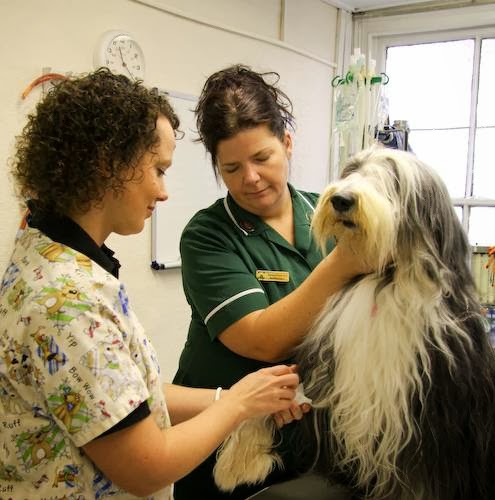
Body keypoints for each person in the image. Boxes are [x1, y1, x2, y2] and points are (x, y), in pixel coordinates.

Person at [0, 68, 302, 499]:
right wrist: (238, 406)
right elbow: (147, 468)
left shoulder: (51, 256)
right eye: (158, 170)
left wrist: (235, 398)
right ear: (111, 165)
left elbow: (125, 395)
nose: (163, 192)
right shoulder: (67, 301)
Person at [173, 64, 369, 499]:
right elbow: (261, 340)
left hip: (312, 436)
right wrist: (342, 264)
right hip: (224, 443)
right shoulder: (208, 236)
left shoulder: (333, 215)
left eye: (262, 158)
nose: (251, 178)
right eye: (231, 168)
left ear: (287, 143)